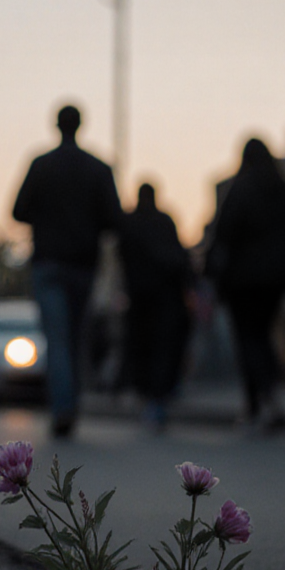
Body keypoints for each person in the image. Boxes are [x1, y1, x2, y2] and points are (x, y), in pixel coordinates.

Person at [12, 105, 124, 438]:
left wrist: (46, 219)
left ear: (56, 126)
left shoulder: (41, 165)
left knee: (58, 339)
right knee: (75, 338)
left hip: (48, 262)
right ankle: (69, 405)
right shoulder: (98, 168)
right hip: (83, 264)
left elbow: (18, 210)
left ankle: (63, 408)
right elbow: (114, 219)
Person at [207, 139, 285, 430]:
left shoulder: (240, 189)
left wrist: (209, 269)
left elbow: (222, 233)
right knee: (262, 335)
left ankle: (263, 399)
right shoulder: (284, 188)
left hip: (243, 279)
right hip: (276, 278)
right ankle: (259, 402)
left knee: (249, 339)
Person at [118, 183, 192, 430]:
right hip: (165, 297)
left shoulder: (130, 223)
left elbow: (123, 257)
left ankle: (149, 398)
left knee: (144, 349)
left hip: (141, 299)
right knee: (163, 349)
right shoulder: (164, 221)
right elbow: (179, 258)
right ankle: (158, 399)